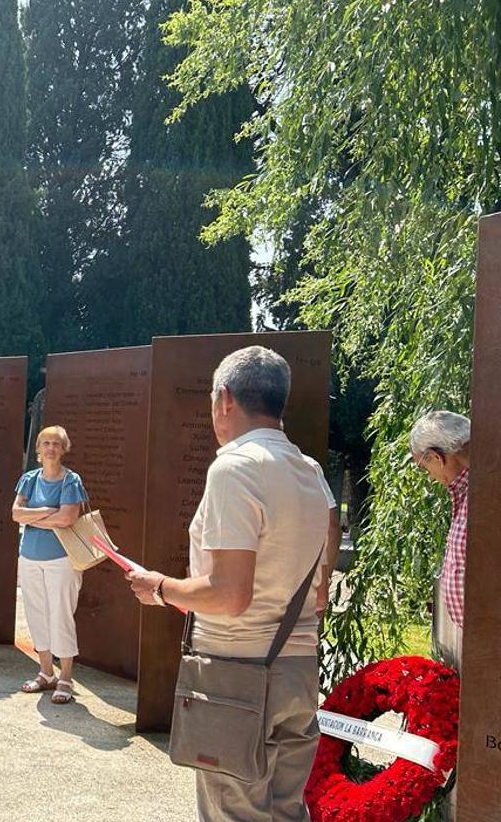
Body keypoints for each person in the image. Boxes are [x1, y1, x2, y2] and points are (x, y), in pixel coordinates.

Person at [126, 346, 338, 822]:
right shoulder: (310, 472)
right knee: (286, 811)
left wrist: (159, 585)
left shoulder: (234, 466)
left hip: (236, 673)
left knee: (233, 814)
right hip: (298, 670)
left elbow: (229, 594)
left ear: (224, 399)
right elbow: (322, 572)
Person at [12, 426, 86, 704]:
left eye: (56, 443)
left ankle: (65, 677)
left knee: (61, 615)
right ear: (38, 449)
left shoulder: (71, 480)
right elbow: (15, 514)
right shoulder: (29, 479)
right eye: (45, 443)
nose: (50, 448)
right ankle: (45, 672)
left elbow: (68, 518)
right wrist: (48, 513)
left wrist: (32, 517)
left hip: (62, 559)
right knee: (36, 614)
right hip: (29, 557)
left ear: (64, 448)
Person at [410, 410, 471, 669]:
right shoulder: (467, 491)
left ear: (437, 456)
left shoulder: (487, 490)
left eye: (426, 468)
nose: (431, 478)